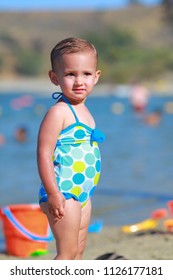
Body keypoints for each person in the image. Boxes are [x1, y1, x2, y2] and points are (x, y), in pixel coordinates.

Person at [37, 37, 105, 260]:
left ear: (96, 77)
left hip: (84, 194)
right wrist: (54, 193)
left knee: (79, 250)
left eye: (86, 74)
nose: (79, 81)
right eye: (70, 74)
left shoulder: (85, 110)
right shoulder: (59, 112)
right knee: (66, 253)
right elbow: (44, 153)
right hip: (64, 192)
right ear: (54, 78)